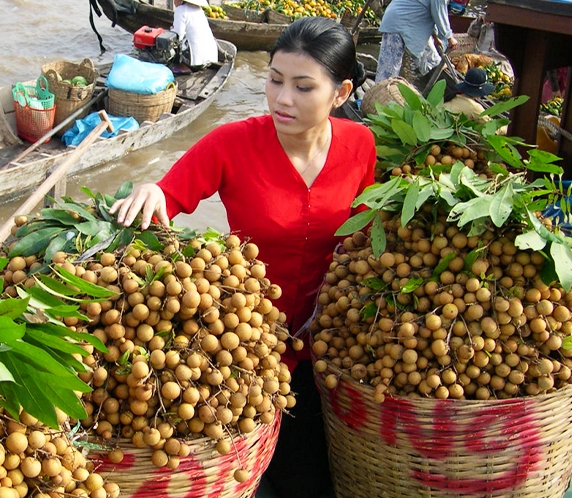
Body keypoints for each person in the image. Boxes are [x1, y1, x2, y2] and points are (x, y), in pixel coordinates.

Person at [109, 17, 375, 498]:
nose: (282, 99)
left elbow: (365, 238)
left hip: (328, 343)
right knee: (249, 469)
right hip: (244, 347)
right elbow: (166, 200)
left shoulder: (360, 145)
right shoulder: (230, 143)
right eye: (274, 80)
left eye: (303, 86)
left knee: (312, 470)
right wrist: (147, 189)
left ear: (341, 93)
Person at [375, 0, 458, 84]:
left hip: (412, 22)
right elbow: (439, 13)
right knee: (388, 71)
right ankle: (380, 93)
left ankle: (444, 77)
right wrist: (449, 38)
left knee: (433, 61)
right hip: (398, 21)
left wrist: (435, 36)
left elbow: (430, 10)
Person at [172, 0, 218, 70]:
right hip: (212, 58)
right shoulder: (199, 9)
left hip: (196, 62)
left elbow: (178, 36)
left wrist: (172, 30)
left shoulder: (180, 10)